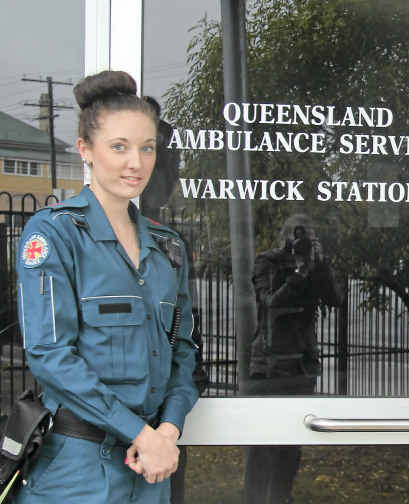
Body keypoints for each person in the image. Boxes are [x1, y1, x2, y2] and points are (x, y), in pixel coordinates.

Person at [13, 70, 198, 503]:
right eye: (119, 147)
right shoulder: (55, 234)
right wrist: (140, 433)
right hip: (77, 472)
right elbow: (51, 355)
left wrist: (166, 431)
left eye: (147, 148)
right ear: (86, 151)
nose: (136, 163)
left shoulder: (168, 247)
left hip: (150, 469)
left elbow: (185, 352)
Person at [243, 214, 342, 504]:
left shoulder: (314, 266)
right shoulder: (267, 262)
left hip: (301, 365)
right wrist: (298, 274)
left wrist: (319, 267)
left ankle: (280, 498)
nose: (300, 242)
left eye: (307, 237)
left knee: (290, 445)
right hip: (270, 365)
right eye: (297, 235)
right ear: (284, 236)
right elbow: (271, 302)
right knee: (261, 444)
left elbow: (336, 300)